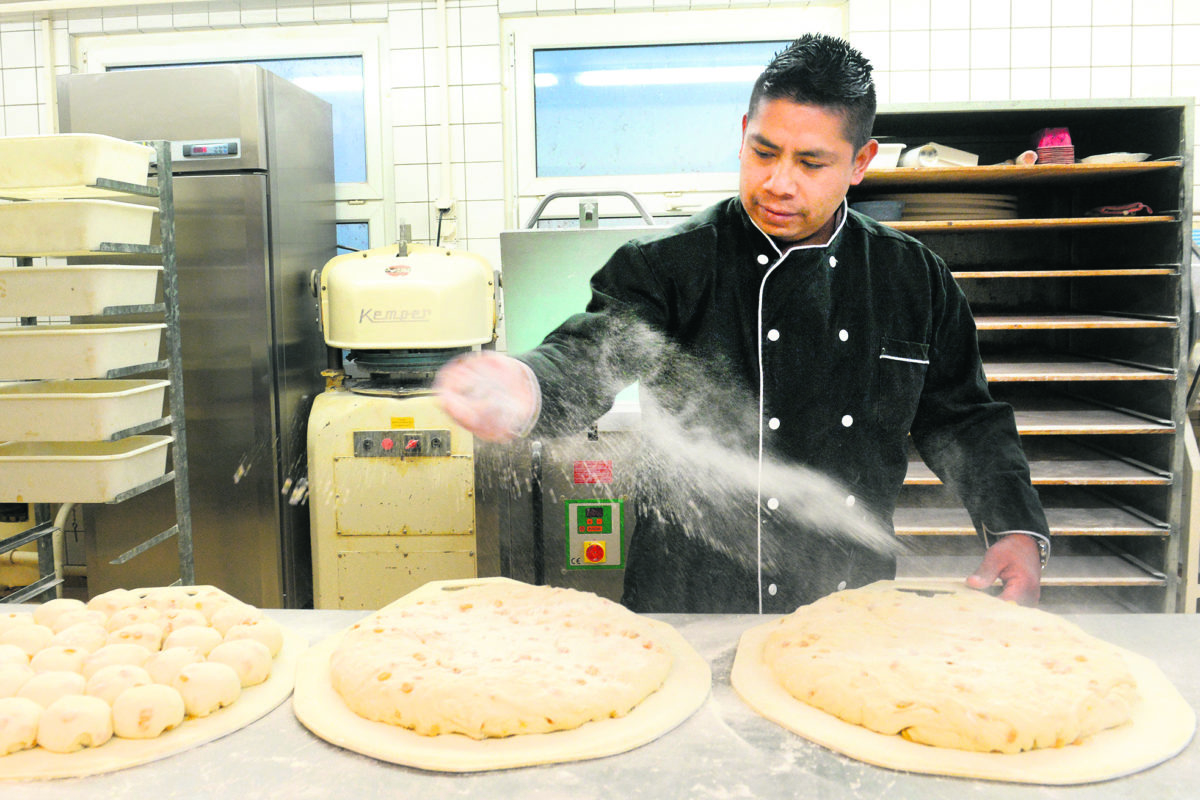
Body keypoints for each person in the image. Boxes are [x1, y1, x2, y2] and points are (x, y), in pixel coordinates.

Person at [435, 33, 1050, 613]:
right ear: (742, 136)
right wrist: (530, 383)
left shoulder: (913, 278)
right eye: (764, 152)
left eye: (812, 163)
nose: (779, 183)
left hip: (846, 604)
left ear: (860, 162)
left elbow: (964, 419)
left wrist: (1016, 526)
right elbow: (594, 352)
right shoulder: (669, 265)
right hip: (687, 601)